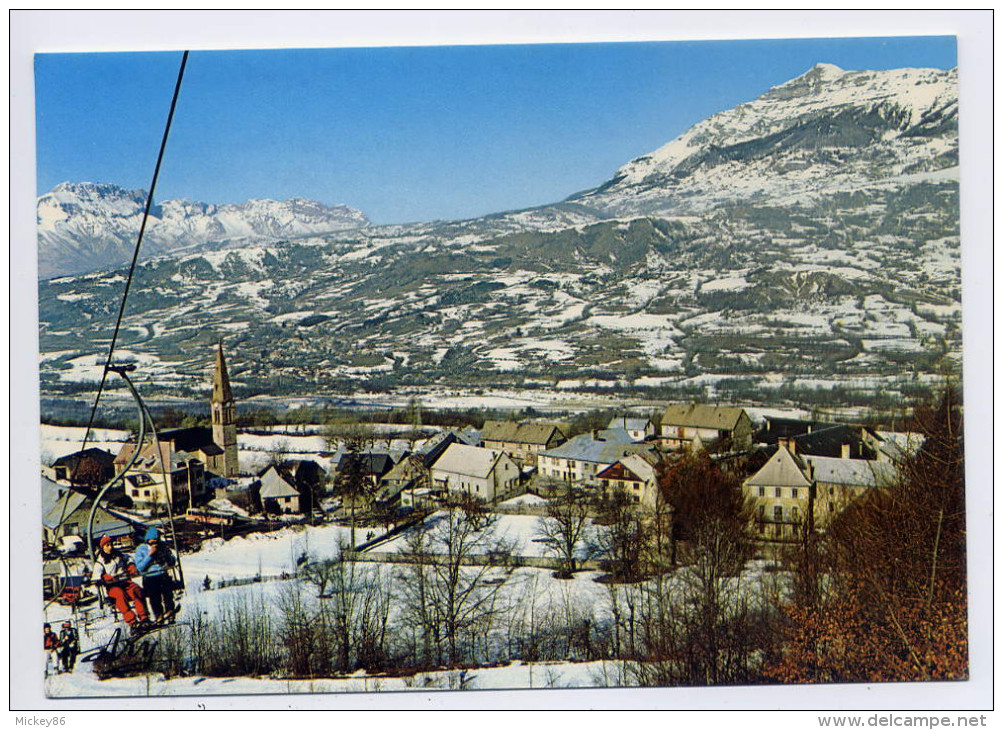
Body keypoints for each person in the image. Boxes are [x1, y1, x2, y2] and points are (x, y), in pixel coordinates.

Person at [91, 535, 150, 631]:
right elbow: (95, 577)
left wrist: (131, 565)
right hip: (112, 586)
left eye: (111, 545)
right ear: (103, 547)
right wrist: (104, 577)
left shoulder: (119, 556)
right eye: (107, 545)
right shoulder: (100, 562)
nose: (110, 547)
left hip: (124, 582)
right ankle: (132, 621)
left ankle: (144, 618)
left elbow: (129, 558)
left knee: (136, 590)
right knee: (119, 595)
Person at [132, 527, 177, 623]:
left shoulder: (162, 547)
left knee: (167, 593)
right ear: (147, 541)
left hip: (162, 574)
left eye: (156, 542)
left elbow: (172, 560)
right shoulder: (141, 550)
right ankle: (158, 615)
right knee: (154, 598)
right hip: (150, 576)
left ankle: (170, 611)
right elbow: (140, 567)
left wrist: (167, 557)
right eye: (152, 542)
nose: (154, 545)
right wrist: (149, 556)